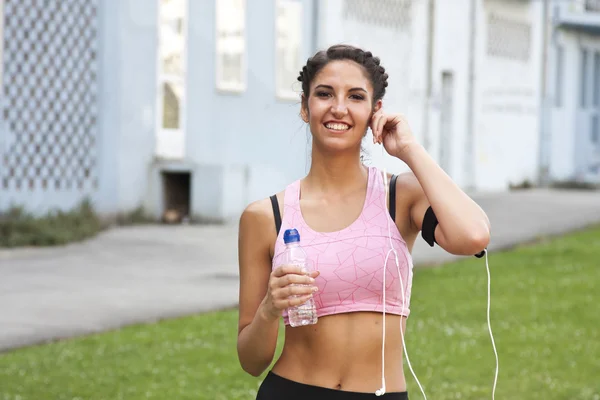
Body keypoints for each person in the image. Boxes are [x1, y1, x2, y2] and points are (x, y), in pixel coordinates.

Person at [237, 44, 491, 400]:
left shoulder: (400, 196)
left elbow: (474, 236)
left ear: (375, 110)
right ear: (304, 106)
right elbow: (251, 361)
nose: (338, 108)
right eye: (324, 94)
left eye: (355, 96)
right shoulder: (264, 217)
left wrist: (409, 149)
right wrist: (268, 310)